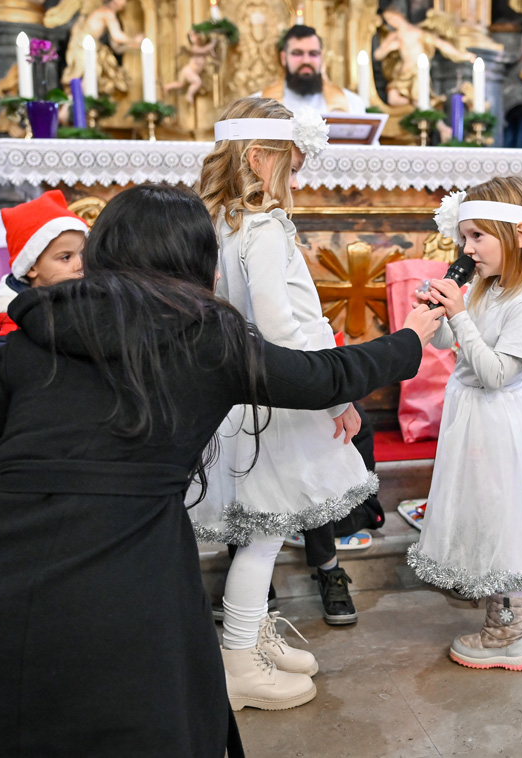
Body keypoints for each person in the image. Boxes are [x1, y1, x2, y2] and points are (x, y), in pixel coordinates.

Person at [0, 183, 440, 756]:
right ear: (196, 261)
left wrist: (21, 492)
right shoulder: (205, 338)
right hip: (126, 596)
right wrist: (410, 338)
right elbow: (324, 376)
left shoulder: (36, 337)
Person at [192, 97, 374, 708]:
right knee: (265, 534)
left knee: (260, 532)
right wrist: (334, 395)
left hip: (244, 396)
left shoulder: (221, 222)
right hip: (281, 399)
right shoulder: (264, 228)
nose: (295, 182)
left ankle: (251, 637)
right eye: (290, 168)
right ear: (257, 158)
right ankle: (239, 660)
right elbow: (280, 327)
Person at [408, 176, 522, 671]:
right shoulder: (488, 284)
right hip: (475, 413)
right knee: (499, 507)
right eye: (465, 237)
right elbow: (454, 348)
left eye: (478, 236)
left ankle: (508, 635)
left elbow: (497, 374)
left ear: (519, 235)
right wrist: (439, 314)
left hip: (501, 419)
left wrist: (459, 316)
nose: (467, 248)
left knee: (506, 517)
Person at [0, 190, 88, 345]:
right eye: (66, 257)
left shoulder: (87, 292)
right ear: (31, 268)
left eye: (83, 254)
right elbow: (4, 350)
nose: (80, 265)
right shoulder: (9, 307)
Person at [252, 25, 365, 114]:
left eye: (313, 54)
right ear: (283, 58)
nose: (306, 61)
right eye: (297, 53)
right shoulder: (257, 106)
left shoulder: (352, 104)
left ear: (321, 57)